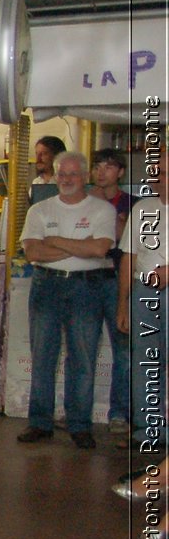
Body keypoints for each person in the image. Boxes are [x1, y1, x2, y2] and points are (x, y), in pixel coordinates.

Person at [16, 151, 117, 448]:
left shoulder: (102, 210)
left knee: (83, 359)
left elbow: (100, 250)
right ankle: (39, 422)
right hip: (46, 286)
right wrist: (79, 247)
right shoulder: (40, 210)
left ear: (84, 177)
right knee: (43, 357)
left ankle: (79, 425)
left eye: (73, 174)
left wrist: (56, 241)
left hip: (88, 289)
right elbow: (33, 252)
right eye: (62, 174)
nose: (67, 179)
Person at [91, 147, 139, 438]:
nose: (101, 172)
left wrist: (108, 214)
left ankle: (119, 413)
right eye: (97, 166)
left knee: (123, 350)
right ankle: (78, 413)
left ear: (120, 172)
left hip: (118, 278)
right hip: (87, 277)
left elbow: (125, 239)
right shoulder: (81, 201)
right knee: (81, 348)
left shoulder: (134, 204)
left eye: (109, 167)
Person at [117, 181, 166, 455]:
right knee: (145, 362)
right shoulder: (143, 209)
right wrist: (123, 303)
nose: (162, 179)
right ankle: (147, 429)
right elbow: (129, 257)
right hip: (144, 289)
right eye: (158, 173)